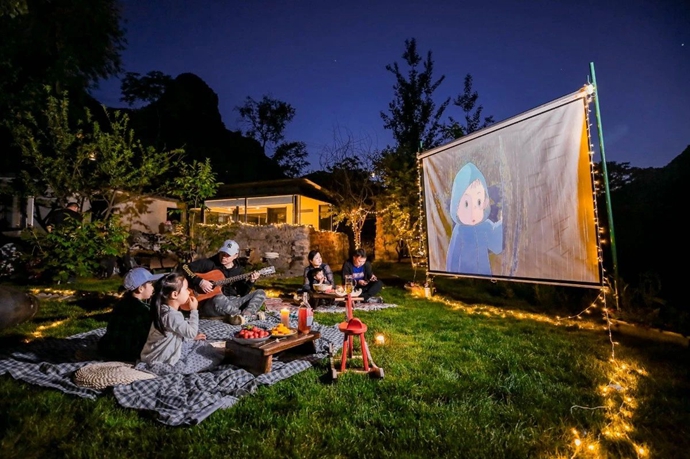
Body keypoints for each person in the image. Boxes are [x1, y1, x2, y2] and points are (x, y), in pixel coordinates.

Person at [140, 272, 222, 372]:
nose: (189, 292)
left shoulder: (164, 309)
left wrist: (190, 337)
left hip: (151, 356)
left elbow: (175, 331)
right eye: (186, 289)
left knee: (200, 345)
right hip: (161, 360)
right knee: (211, 357)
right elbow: (192, 332)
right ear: (175, 294)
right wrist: (194, 310)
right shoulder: (172, 315)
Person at [181, 240, 266, 319]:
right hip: (209, 303)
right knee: (219, 298)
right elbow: (184, 267)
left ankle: (247, 314)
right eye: (222, 253)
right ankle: (242, 317)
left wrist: (251, 281)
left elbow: (242, 293)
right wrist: (200, 281)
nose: (223, 257)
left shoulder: (238, 270)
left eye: (228, 255)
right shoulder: (209, 263)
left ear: (235, 255)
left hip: (231, 302)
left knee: (260, 293)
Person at [98, 267, 164, 362]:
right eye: (150, 283)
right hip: (129, 352)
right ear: (141, 289)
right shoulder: (142, 310)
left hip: (110, 348)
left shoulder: (120, 304)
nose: (153, 287)